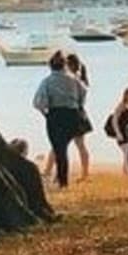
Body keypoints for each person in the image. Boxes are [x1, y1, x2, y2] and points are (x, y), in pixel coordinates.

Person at [32, 51, 87, 191]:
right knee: (64, 148)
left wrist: (46, 114)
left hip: (56, 115)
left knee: (59, 150)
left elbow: (38, 102)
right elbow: (84, 92)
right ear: (64, 65)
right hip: (73, 115)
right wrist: (78, 104)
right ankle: (61, 181)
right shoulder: (74, 79)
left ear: (50, 66)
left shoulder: (47, 81)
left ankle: (63, 182)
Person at [66, 52, 93, 180]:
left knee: (59, 144)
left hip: (72, 113)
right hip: (80, 113)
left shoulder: (73, 78)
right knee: (81, 145)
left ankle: (49, 172)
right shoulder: (81, 79)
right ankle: (85, 173)